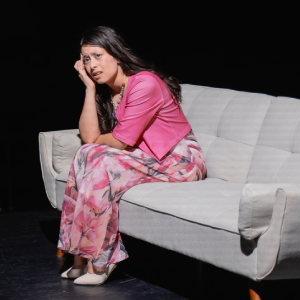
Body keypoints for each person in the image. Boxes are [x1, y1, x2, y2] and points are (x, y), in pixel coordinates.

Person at [58, 25, 206, 286]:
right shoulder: (109, 92)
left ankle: (102, 260)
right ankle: (79, 257)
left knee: (100, 160)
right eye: (86, 59)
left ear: (116, 54)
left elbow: (119, 142)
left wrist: (99, 143)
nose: (92, 65)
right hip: (146, 158)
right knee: (85, 153)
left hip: (179, 161)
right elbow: (89, 138)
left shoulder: (145, 83)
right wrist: (89, 90)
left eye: (98, 55)